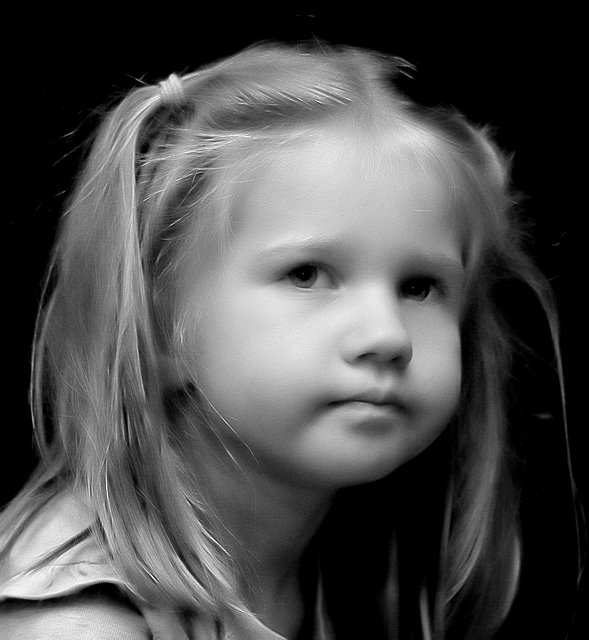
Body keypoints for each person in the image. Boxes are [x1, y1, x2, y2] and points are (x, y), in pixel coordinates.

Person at [0, 41, 568, 639]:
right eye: (307, 274)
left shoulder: (355, 565)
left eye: (419, 287)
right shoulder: (80, 625)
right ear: (159, 328)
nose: (387, 336)